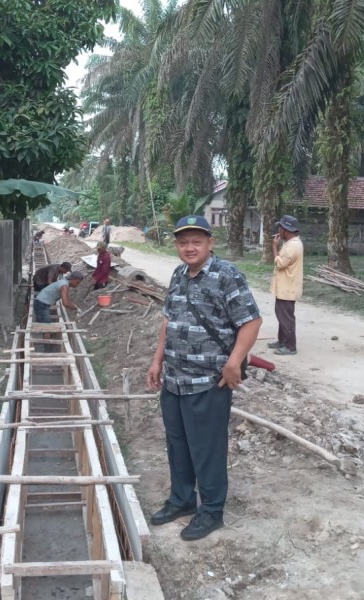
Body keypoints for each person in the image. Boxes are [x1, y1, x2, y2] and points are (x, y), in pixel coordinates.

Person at [146, 215, 262, 541]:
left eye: (196, 241)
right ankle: (182, 500)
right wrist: (157, 362)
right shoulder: (178, 275)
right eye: (184, 242)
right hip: (174, 381)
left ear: (210, 243)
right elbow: (168, 321)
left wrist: (235, 362)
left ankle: (211, 511)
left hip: (209, 382)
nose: (189, 248)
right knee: (178, 445)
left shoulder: (227, 276)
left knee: (207, 449)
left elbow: (251, 322)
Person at [269, 215, 304, 356]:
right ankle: (282, 341)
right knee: (281, 315)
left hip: (288, 288)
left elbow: (280, 263)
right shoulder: (290, 243)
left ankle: (290, 346)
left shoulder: (293, 246)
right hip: (285, 287)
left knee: (286, 318)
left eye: (280, 228)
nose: (278, 230)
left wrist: (274, 247)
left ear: (286, 230)